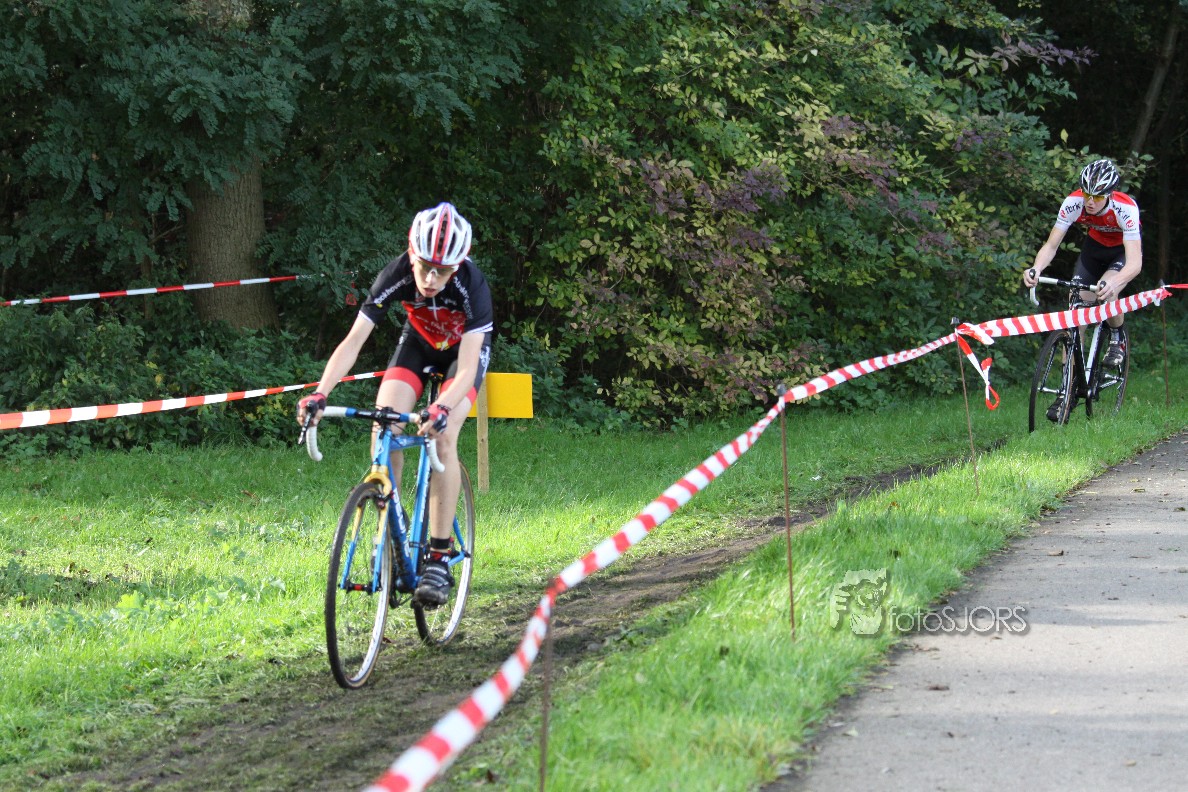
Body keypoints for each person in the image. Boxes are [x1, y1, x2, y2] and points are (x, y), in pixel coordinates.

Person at [296, 202, 494, 606]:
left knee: (443, 437)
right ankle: (392, 528)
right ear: (411, 254)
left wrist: (442, 407)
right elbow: (353, 341)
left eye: (443, 271)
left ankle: (438, 556)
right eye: (425, 267)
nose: (432, 278)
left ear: (458, 267)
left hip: (461, 357)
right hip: (418, 345)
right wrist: (321, 392)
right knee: (384, 424)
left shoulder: (472, 285)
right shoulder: (396, 274)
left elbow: (469, 367)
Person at [1022, 158, 1142, 420]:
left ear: (1109, 194)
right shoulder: (1073, 202)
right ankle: (1067, 389)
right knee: (1075, 314)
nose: (1090, 201)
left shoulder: (1125, 208)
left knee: (1107, 290)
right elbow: (1051, 245)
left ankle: (1117, 336)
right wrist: (1036, 268)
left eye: (1097, 197)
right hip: (1093, 251)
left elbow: (1135, 263)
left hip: (1120, 254)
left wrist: (1115, 282)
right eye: (1087, 194)